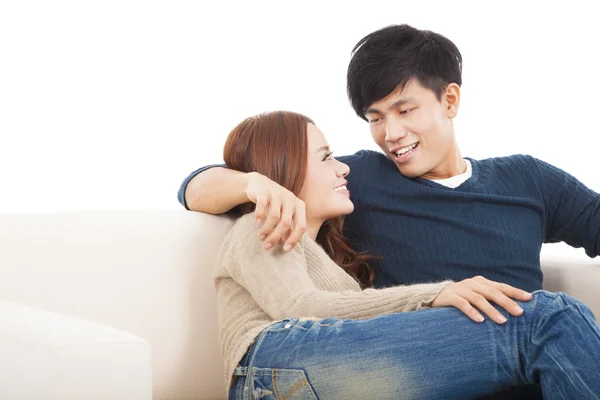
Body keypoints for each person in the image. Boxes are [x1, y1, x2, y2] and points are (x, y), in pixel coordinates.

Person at [181, 25, 600, 398]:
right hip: (416, 371)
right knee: (550, 317)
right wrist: (253, 182)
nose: (391, 134)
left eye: (405, 110)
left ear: (449, 100)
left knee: (548, 321)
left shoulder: (529, 180)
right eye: (376, 118)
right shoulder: (355, 179)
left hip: (519, 373)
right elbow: (198, 186)